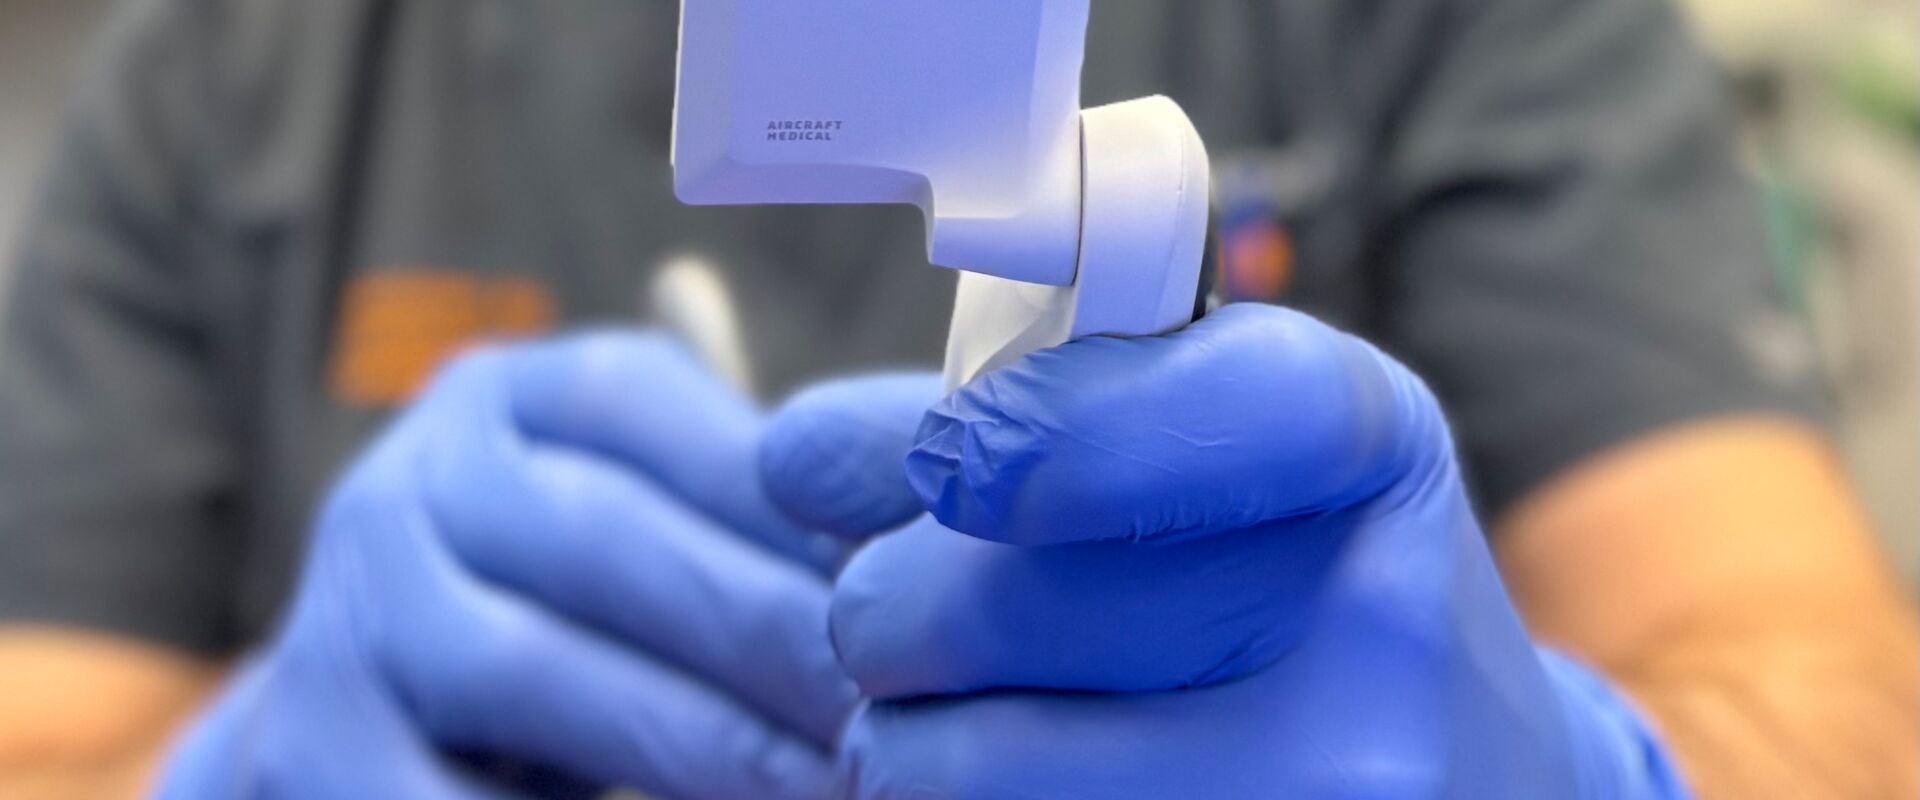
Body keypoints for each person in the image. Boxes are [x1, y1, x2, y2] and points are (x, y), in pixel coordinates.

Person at [0, 0, 1912, 798]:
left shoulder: (1458, 26)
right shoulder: (237, 72)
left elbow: (1835, 699)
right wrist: (233, 765)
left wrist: (1578, 770)